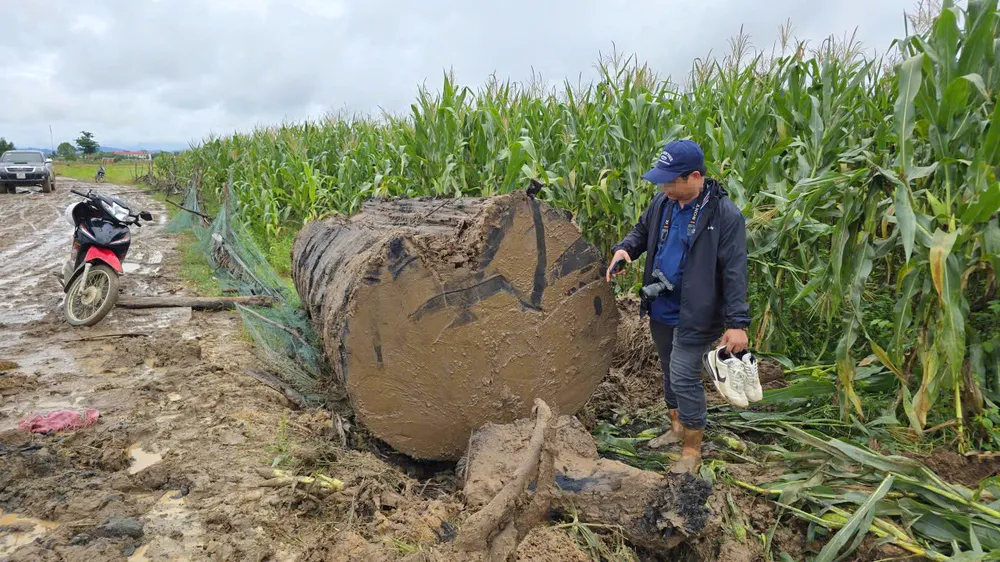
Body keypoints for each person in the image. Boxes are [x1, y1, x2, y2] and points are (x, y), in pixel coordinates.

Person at [605, 139, 758, 474]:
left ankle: (692, 450)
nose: (664, 186)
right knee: (668, 368)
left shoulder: (724, 216)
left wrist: (737, 322)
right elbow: (641, 232)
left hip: (697, 313)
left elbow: (735, 271)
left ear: (694, 177)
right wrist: (625, 250)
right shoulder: (664, 203)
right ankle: (675, 428)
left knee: (685, 376)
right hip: (662, 306)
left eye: (671, 180)